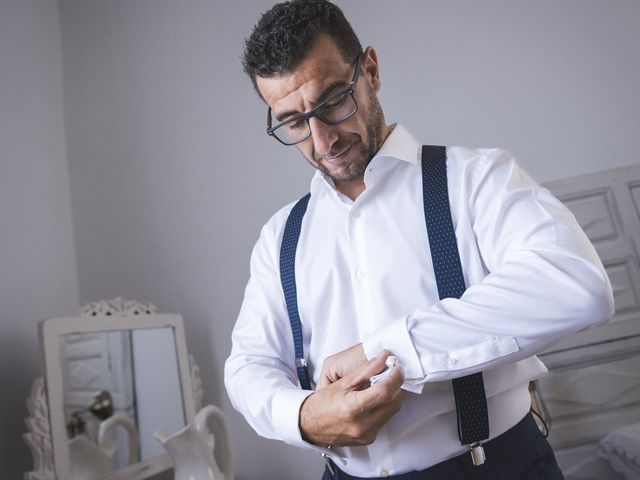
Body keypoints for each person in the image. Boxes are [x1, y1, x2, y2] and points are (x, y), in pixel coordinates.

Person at [224, 1, 615, 479]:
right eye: (294, 122)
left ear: (370, 69)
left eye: (332, 101)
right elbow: (248, 366)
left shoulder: (477, 180)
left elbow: (576, 286)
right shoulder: (280, 237)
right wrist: (303, 416)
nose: (322, 139)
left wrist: (386, 351)